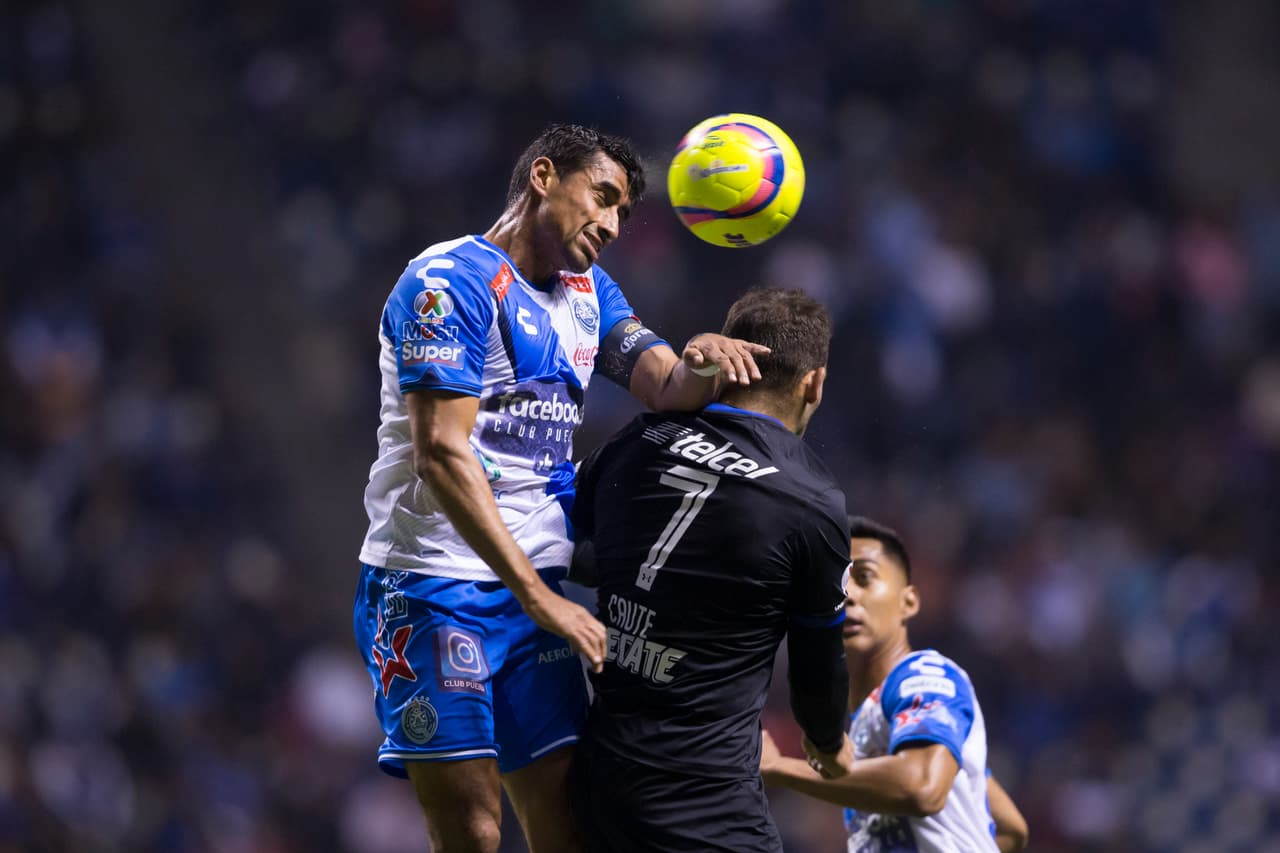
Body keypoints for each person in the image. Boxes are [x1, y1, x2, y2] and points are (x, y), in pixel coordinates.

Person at [352, 123, 768, 853]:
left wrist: (703, 361)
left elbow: (666, 385)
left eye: (623, 214)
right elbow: (441, 456)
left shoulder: (589, 291)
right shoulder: (448, 282)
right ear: (544, 175)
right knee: (475, 830)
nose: (611, 224)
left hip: (533, 595)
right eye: (603, 197)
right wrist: (541, 599)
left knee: (571, 826)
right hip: (431, 587)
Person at [567, 288, 856, 853]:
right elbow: (817, 668)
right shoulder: (813, 503)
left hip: (598, 784)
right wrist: (827, 742)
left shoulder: (640, 438)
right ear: (813, 383)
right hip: (706, 806)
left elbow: (571, 547)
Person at [760, 516, 1029, 853]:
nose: (848, 596)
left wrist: (778, 767)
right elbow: (1010, 828)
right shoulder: (875, 725)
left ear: (909, 601)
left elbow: (920, 788)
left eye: (864, 577)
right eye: (836, 584)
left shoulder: (923, 675)